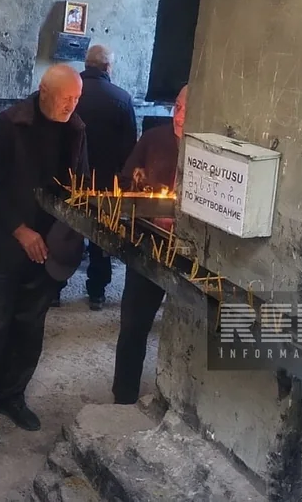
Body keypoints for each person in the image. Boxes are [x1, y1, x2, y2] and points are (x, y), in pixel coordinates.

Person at [0, 64, 89, 448]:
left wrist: (67, 234)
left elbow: (80, 186)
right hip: (5, 246)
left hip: (48, 250)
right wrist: (20, 230)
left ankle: (11, 396)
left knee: (29, 329)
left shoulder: (75, 129)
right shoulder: (9, 126)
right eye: (66, 98)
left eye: (77, 98)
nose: (72, 105)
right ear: (43, 92)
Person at [112, 84, 187, 405]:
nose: (180, 116)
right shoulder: (154, 139)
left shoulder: (210, 150)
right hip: (148, 244)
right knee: (134, 324)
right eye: (178, 107)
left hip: (188, 253)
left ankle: (177, 398)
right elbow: (125, 180)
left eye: (189, 111)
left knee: (186, 328)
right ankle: (124, 394)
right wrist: (139, 185)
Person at [62, 45, 138, 310]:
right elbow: (129, 145)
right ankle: (97, 291)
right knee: (101, 234)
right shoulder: (122, 98)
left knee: (64, 229)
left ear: (86, 64)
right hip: (103, 180)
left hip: (68, 176)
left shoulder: (69, 93)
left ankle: (55, 288)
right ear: (108, 67)